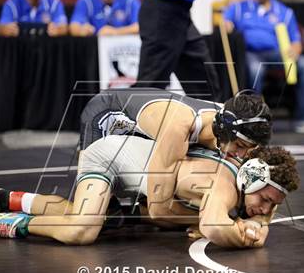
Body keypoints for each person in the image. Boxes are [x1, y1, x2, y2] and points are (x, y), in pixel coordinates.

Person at [0, 135, 299, 248]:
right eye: (265, 201)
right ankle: (2, 222)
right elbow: (213, 228)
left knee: (97, 217)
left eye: (273, 205)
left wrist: (261, 223)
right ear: (251, 179)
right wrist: (246, 234)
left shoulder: (245, 183)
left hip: (140, 180)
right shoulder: (224, 184)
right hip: (110, 157)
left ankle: (6, 198)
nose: (264, 208)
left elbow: (255, 214)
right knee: (82, 229)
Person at [80, 88, 272, 220]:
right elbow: (159, 211)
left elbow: (270, 181)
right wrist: (216, 221)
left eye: (249, 147)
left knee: (164, 187)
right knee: (103, 215)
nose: (242, 154)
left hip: (151, 122)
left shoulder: (238, 122)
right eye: (239, 146)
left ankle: (135, 209)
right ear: (224, 132)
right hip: (105, 116)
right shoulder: (178, 127)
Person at [223, 0, 304, 134]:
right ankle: (253, 119)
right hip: (250, 53)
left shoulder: (284, 12)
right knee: (254, 69)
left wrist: (295, 49)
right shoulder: (239, 7)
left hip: (278, 54)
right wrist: (227, 24)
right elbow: (224, 21)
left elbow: (296, 41)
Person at [134, 0, 222, 101]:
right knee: (150, 87)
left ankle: (211, 116)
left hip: (182, 10)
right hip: (163, 10)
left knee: (206, 86)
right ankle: (122, 114)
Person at [0, 0, 68, 37]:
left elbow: (64, 27)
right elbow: (0, 28)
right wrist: (6, 30)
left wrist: (58, 30)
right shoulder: (11, 4)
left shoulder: (54, 3)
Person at [69, 0, 140, 37]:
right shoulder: (86, 1)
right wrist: (83, 30)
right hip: (95, 49)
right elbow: (74, 27)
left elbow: (140, 27)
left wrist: (115, 32)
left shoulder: (130, 0)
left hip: (125, 48)